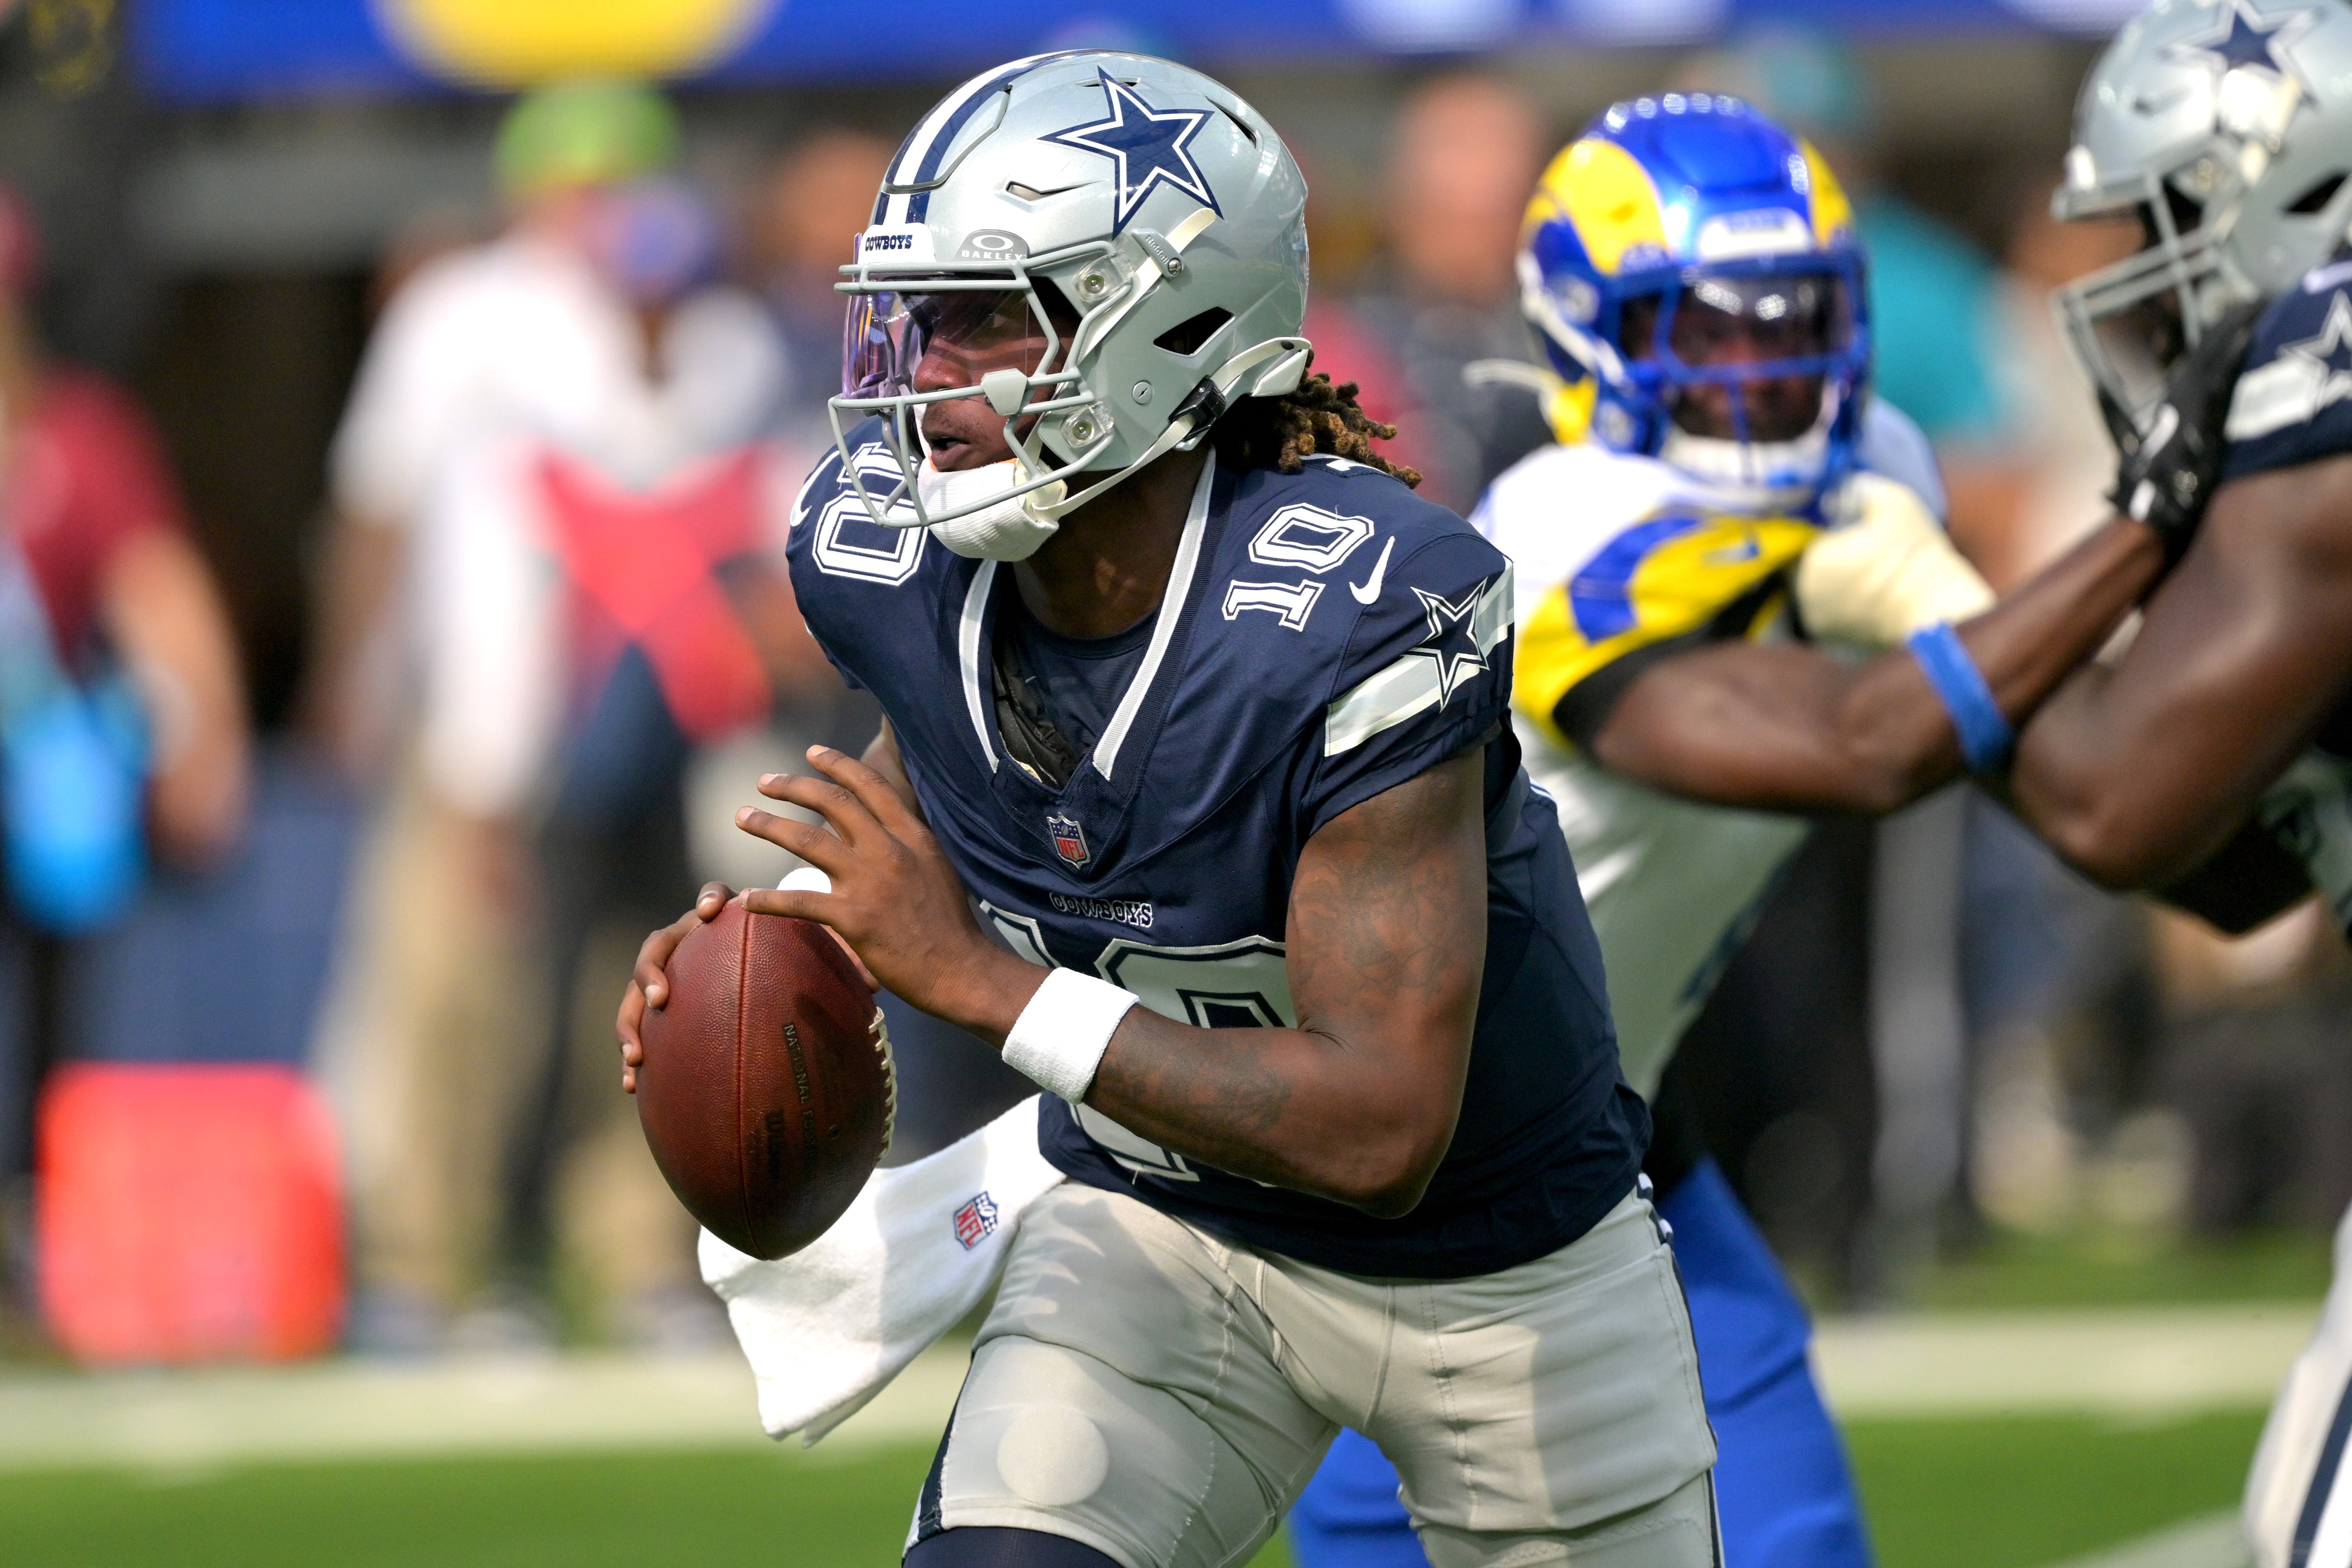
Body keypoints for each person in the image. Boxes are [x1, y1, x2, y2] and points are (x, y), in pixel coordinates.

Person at [622, 50, 1726, 1568]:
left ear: (1174, 317)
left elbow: (1382, 1125)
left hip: (1504, 1273)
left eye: (989, 316)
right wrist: (778, 950)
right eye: (919, 317)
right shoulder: (882, 555)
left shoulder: (1356, 605)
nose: (930, 375)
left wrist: (992, 985)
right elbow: (949, 778)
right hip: (1162, 1230)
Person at [1286, 92, 2257, 1568]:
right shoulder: (1557, 535)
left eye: (1796, 318)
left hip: (1620, 1149)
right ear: (1589, 333)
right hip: (1395, 1203)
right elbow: (1860, 751)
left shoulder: (1872, 475)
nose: (1768, 369)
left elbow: (2102, 795)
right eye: (1712, 328)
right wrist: (2140, 526)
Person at [1950, 4, 2352, 1563]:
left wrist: (1912, 611)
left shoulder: (2325, 368)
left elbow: (2122, 801)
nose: (2141, 269)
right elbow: (2244, 858)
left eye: (2172, 218)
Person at [313, 79, 790, 1350]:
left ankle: (631, 1261)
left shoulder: (715, 329)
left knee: (636, 998)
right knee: (455, 991)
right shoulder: (459, 310)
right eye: (575, 185)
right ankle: (424, 1266)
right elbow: (379, 504)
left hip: (654, 721)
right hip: (474, 710)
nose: (597, 210)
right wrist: (350, 679)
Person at [0, 176, 250, 1319]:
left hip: (38, 779)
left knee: (56, 1017)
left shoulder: (76, 433)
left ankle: (37, 1232)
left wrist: (206, 736)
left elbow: (157, 590)